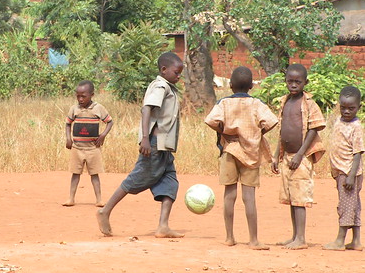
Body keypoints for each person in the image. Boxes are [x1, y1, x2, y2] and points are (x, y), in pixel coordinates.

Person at [97, 52, 184, 238]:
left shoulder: (167, 86)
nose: (179, 76)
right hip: (154, 144)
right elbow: (147, 108)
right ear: (164, 70)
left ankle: (163, 226)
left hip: (164, 148)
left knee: (170, 182)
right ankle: (105, 210)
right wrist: (145, 138)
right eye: (177, 73)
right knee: (137, 178)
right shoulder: (161, 86)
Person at [205, 66, 278, 250]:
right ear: (252, 86)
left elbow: (211, 120)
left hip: (229, 150)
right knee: (249, 198)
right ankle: (253, 240)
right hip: (251, 153)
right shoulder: (257, 104)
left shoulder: (224, 103)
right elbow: (271, 121)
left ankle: (229, 237)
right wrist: (257, 133)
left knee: (229, 195)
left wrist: (224, 131)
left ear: (230, 85)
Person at [271, 64, 326, 250]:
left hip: (301, 158)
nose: (293, 85)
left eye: (297, 82)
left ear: (305, 82)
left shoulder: (309, 103)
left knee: (300, 198)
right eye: (290, 81)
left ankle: (301, 239)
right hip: (287, 157)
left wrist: (300, 154)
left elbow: (314, 129)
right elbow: (281, 131)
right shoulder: (285, 101)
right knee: (291, 197)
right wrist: (275, 155)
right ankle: (294, 235)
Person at [324, 86, 363, 251]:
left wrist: (350, 175)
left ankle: (340, 240)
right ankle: (356, 241)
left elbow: (358, 153)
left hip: (348, 172)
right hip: (340, 170)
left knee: (345, 205)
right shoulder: (339, 121)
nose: (346, 111)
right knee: (353, 204)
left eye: (351, 108)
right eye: (343, 107)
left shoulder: (356, 127)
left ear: (359, 107)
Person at [64, 80, 113, 207]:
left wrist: (103, 135)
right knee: (75, 174)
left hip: (93, 148)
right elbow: (68, 123)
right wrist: (68, 138)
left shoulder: (98, 108)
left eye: (83, 96)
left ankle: (99, 199)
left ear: (92, 95)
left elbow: (109, 122)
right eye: (78, 96)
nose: (80, 99)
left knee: (94, 174)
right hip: (77, 147)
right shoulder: (74, 109)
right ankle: (71, 198)